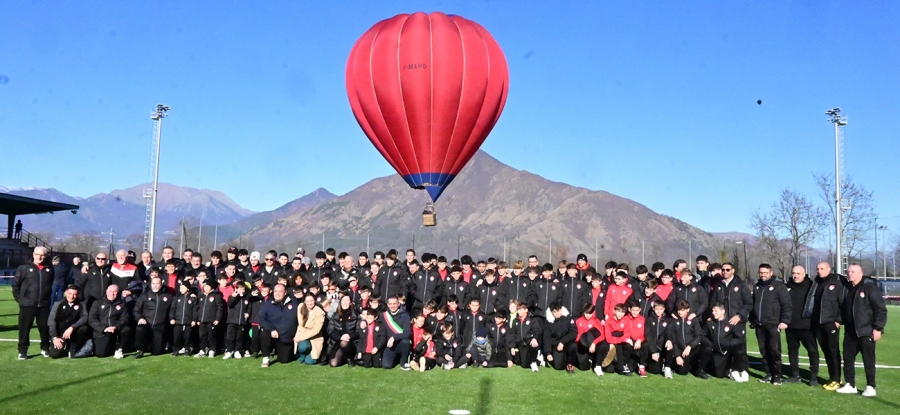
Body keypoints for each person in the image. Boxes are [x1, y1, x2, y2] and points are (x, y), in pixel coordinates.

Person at [835, 264, 887, 397]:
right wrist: (838, 320)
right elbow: (844, 308)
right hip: (850, 332)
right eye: (848, 272)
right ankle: (850, 384)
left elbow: (880, 310)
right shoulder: (847, 289)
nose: (850, 274)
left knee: (868, 360)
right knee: (848, 358)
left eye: (853, 272)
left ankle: (871, 386)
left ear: (861, 273)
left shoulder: (869, 288)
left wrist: (878, 328)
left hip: (866, 330)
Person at [750, 263, 792, 385]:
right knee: (763, 351)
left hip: (773, 323)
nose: (763, 275)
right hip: (759, 324)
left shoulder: (779, 286)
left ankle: (777, 375)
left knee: (774, 350)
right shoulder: (756, 287)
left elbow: (787, 304)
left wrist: (785, 320)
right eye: (761, 272)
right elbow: (754, 304)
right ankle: (768, 374)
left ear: (771, 273)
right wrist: (752, 319)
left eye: (765, 272)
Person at [711, 262, 752, 383]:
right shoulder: (719, 285)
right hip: (723, 322)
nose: (725, 272)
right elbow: (713, 302)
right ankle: (731, 369)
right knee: (726, 346)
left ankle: (744, 370)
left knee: (740, 347)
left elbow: (749, 303)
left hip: (737, 322)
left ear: (733, 270)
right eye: (723, 270)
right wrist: (715, 315)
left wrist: (739, 315)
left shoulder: (741, 285)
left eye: (727, 270)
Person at [12, 246, 54, 360]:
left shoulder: (50, 269)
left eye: (42, 255)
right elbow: (15, 285)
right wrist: (20, 299)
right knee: (24, 329)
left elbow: (50, 284)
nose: (39, 257)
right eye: (37, 254)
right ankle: (22, 351)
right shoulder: (24, 268)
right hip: (27, 305)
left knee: (44, 329)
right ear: (33, 254)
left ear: (45, 256)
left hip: (44, 305)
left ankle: (45, 348)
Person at [811, 261, 845, 391]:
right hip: (818, 322)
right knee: (826, 350)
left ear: (829, 269)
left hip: (830, 322)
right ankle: (832, 377)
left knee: (833, 350)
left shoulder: (836, 283)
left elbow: (842, 303)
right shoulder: (816, 283)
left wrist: (838, 320)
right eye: (818, 269)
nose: (819, 271)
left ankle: (837, 379)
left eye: (822, 268)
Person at [785, 265, 820, 386]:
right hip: (790, 326)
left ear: (804, 274)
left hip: (807, 326)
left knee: (812, 351)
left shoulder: (812, 287)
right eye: (794, 273)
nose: (795, 276)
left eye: (798, 273)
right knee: (792, 351)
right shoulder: (787, 287)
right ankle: (795, 375)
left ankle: (813, 377)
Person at [259, 284, 299, 367]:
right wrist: (272, 329)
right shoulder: (268, 304)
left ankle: (280, 351)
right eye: (276, 291)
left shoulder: (294, 303)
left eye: (280, 291)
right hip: (272, 334)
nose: (277, 294)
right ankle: (266, 357)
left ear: (285, 293)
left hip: (286, 338)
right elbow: (261, 319)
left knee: (284, 360)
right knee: (265, 333)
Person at [133, 276, 174, 358]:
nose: (155, 286)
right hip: (146, 324)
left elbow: (173, 309)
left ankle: (149, 346)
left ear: (161, 284)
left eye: (157, 284)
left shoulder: (168, 296)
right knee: (139, 329)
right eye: (153, 283)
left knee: (156, 352)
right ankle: (140, 350)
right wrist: (139, 318)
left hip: (159, 327)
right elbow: (136, 310)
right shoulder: (144, 296)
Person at [665, 300, 707, 379]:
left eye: (682, 310)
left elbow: (699, 335)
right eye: (678, 310)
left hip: (690, 349)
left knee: (704, 347)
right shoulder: (674, 320)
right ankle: (673, 365)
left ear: (688, 310)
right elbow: (671, 336)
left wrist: (690, 346)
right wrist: (677, 355)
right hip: (679, 349)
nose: (680, 312)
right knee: (682, 372)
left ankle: (698, 368)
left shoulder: (693, 320)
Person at [47, 285, 89, 358]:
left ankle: (72, 347)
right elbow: (51, 321)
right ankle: (62, 346)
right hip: (60, 332)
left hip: (73, 331)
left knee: (84, 328)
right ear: (66, 293)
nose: (72, 296)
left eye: (74, 294)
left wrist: (72, 327)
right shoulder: (58, 303)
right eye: (70, 293)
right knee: (54, 355)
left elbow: (85, 317)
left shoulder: (81, 303)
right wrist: (54, 337)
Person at [89, 285, 130, 358]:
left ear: (118, 293)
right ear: (106, 291)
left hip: (115, 329)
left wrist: (116, 326)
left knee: (126, 329)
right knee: (101, 354)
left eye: (115, 292)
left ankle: (119, 349)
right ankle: (112, 346)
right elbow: (92, 319)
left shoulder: (122, 304)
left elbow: (124, 319)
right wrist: (104, 328)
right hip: (102, 331)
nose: (112, 294)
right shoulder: (97, 303)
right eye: (110, 291)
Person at [706, 302, 744, 379]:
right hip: (717, 351)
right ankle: (727, 370)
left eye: (716, 311)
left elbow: (740, 339)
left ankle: (735, 369)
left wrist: (728, 343)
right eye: (713, 311)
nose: (713, 313)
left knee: (739, 350)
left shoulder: (730, 322)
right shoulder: (710, 322)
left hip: (728, 350)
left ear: (723, 311)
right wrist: (711, 344)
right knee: (719, 375)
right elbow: (704, 335)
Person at [574, 303, 612, 375]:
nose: (587, 315)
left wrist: (594, 343)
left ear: (593, 312)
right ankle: (590, 359)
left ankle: (598, 365)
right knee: (583, 368)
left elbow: (602, 335)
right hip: (583, 345)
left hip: (593, 344)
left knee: (603, 345)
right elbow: (576, 335)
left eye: (590, 313)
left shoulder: (596, 321)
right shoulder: (578, 321)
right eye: (586, 313)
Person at [544, 301, 577, 373]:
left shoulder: (568, 318)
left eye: (558, 311)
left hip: (567, 342)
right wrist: (548, 353)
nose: (557, 314)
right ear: (552, 312)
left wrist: (562, 341)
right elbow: (546, 338)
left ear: (561, 310)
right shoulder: (548, 321)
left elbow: (573, 332)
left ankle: (570, 363)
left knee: (573, 346)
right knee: (558, 367)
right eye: (555, 312)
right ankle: (562, 358)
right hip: (555, 344)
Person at [293, 293, 326, 365]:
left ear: (315, 300)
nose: (309, 303)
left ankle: (309, 355)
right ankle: (302, 355)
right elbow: (300, 324)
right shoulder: (301, 307)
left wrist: (302, 337)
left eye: (311, 301)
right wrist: (299, 336)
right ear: (304, 301)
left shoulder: (320, 313)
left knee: (310, 361)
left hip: (315, 337)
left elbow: (316, 330)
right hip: (302, 332)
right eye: (307, 301)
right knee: (304, 347)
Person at [328, 295, 360, 367]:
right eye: (343, 300)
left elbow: (359, 331)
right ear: (340, 302)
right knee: (333, 364)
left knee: (344, 343)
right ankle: (344, 356)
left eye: (347, 300)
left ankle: (350, 358)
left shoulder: (356, 315)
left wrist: (349, 336)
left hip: (352, 342)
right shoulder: (335, 315)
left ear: (351, 303)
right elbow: (330, 331)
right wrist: (340, 337)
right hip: (337, 341)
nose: (345, 302)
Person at [381, 295, 412, 370]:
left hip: (401, 343)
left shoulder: (405, 316)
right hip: (390, 345)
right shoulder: (383, 315)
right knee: (386, 366)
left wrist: (394, 337)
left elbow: (407, 333)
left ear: (398, 304)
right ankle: (396, 357)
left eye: (394, 303)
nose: (392, 306)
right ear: (387, 305)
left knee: (406, 341)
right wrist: (363, 322)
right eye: (390, 304)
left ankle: (403, 362)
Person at [194, 280, 224, 358]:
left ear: (211, 287)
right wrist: (198, 319)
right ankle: (202, 350)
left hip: (211, 320)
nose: (206, 288)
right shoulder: (201, 296)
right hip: (202, 320)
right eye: (205, 286)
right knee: (202, 336)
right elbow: (198, 308)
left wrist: (217, 319)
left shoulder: (216, 296)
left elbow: (219, 308)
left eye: (208, 286)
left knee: (211, 336)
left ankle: (212, 350)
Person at [223, 281, 252, 360]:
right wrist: (234, 297)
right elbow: (229, 304)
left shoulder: (246, 298)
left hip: (241, 321)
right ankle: (229, 351)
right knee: (230, 337)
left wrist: (248, 313)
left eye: (243, 289)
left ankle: (237, 351)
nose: (241, 291)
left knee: (239, 337)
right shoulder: (232, 296)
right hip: (232, 320)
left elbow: (249, 307)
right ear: (236, 289)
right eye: (240, 289)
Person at [169, 280, 198, 357]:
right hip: (178, 321)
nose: (181, 289)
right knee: (177, 336)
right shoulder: (177, 297)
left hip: (188, 321)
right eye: (180, 288)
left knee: (187, 337)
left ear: (187, 288)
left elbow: (194, 310)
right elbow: (173, 308)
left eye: (183, 288)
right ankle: (175, 350)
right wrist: (172, 318)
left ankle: (187, 349)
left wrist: (194, 320)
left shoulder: (192, 298)